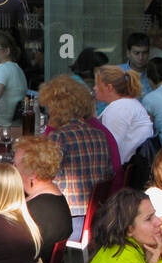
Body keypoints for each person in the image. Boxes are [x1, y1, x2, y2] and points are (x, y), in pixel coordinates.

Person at [38, 75, 113, 240]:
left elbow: (43, 179)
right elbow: (109, 174)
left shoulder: (59, 137)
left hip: (68, 219)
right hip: (97, 216)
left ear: (56, 107)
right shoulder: (99, 135)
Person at [13, 136, 72, 260]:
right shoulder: (57, 199)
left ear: (32, 174)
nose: (12, 169)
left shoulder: (30, 211)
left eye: (15, 166)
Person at [94, 66, 154, 165]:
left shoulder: (119, 107)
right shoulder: (127, 104)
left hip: (126, 170)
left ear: (109, 87)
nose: (94, 88)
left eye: (97, 84)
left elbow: (111, 147)